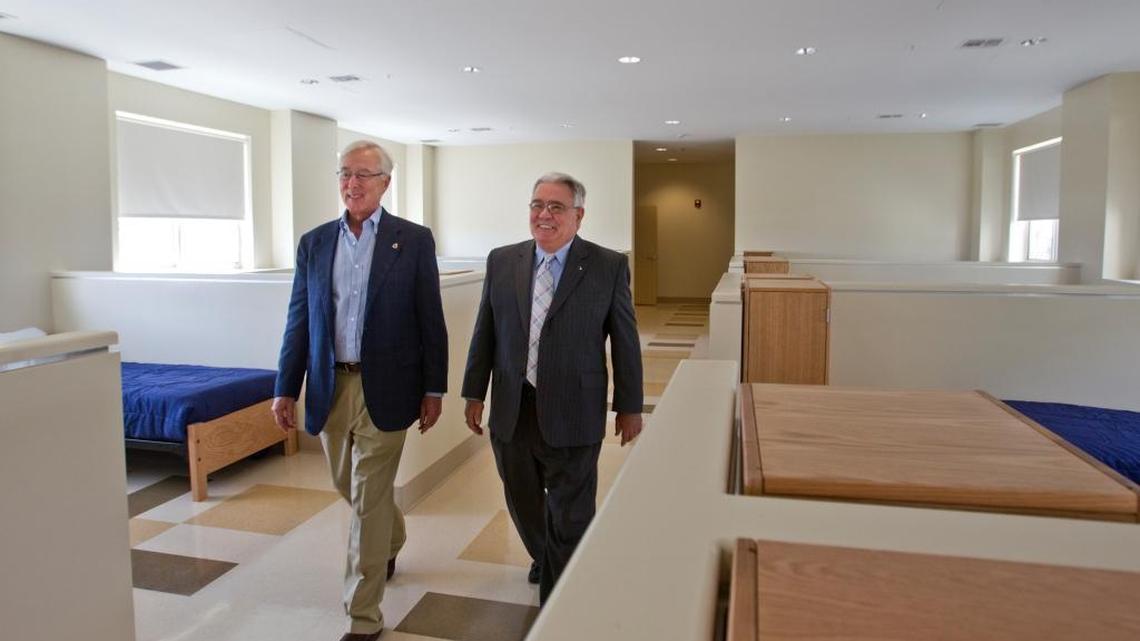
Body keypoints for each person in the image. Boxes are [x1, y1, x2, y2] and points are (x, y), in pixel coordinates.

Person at [271, 140, 447, 641]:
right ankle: (394, 535)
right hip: (332, 383)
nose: (353, 183)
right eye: (346, 173)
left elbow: (429, 319)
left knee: (367, 501)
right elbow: (299, 320)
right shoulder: (315, 242)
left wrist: (433, 387)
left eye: (364, 175)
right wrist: (286, 386)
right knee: (345, 484)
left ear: (386, 183)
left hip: (388, 387)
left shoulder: (411, 240)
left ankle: (362, 615)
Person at [461, 172, 643, 604]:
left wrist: (630, 405)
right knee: (522, 499)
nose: (544, 215)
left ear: (578, 215)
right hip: (512, 406)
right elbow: (485, 329)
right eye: (537, 205)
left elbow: (625, 338)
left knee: (572, 511)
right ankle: (547, 555)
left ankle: (558, 603)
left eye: (556, 207)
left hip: (575, 408)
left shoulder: (607, 265)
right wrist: (473, 391)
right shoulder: (503, 261)